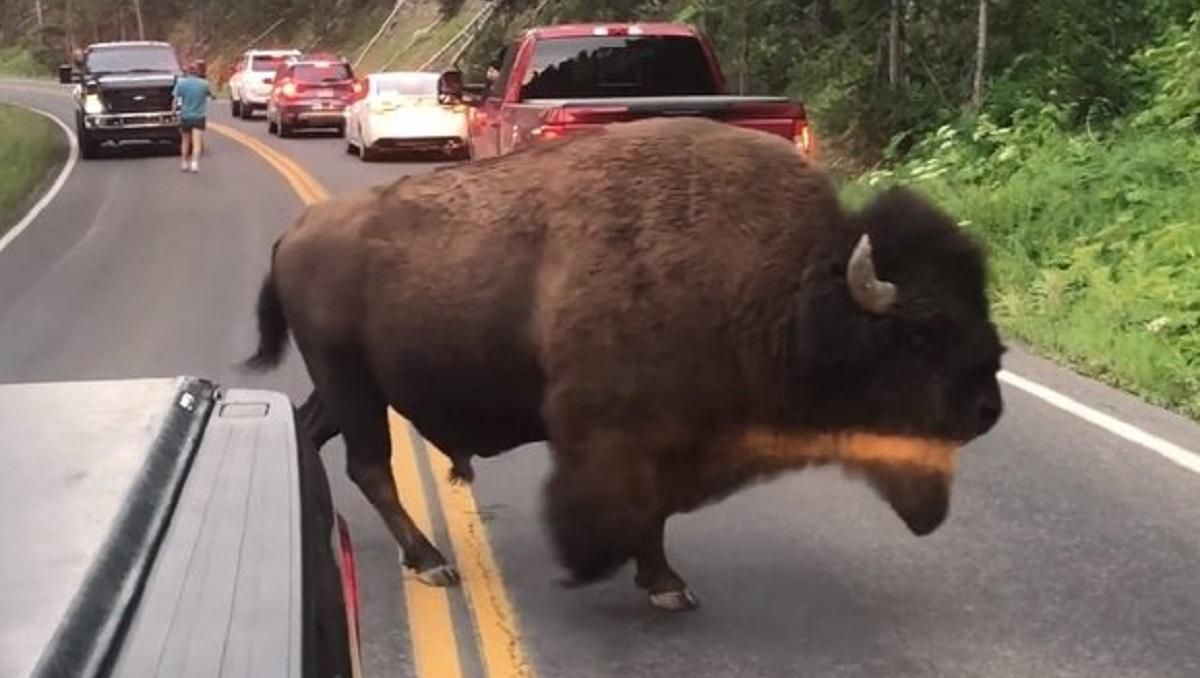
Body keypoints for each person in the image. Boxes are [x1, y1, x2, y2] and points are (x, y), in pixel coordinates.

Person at [172, 61, 215, 173]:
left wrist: (173, 111)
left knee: (185, 141)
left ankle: (184, 163)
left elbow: (175, 100)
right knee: (196, 142)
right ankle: (194, 163)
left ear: (187, 72)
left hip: (185, 116)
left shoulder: (181, 83)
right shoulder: (204, 84)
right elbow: (212, 95)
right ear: (197, 72)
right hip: (199, 117)